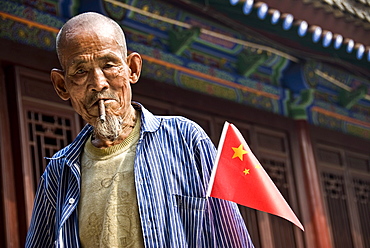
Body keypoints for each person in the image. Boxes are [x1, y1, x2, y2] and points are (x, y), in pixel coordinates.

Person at [25, 12, 254, 248]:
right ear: (62, 86)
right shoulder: (59, 171)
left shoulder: (186, 140)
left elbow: (231, 239)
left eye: (109, 65)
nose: (98, 83)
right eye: (80, 72)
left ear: (132, 69)